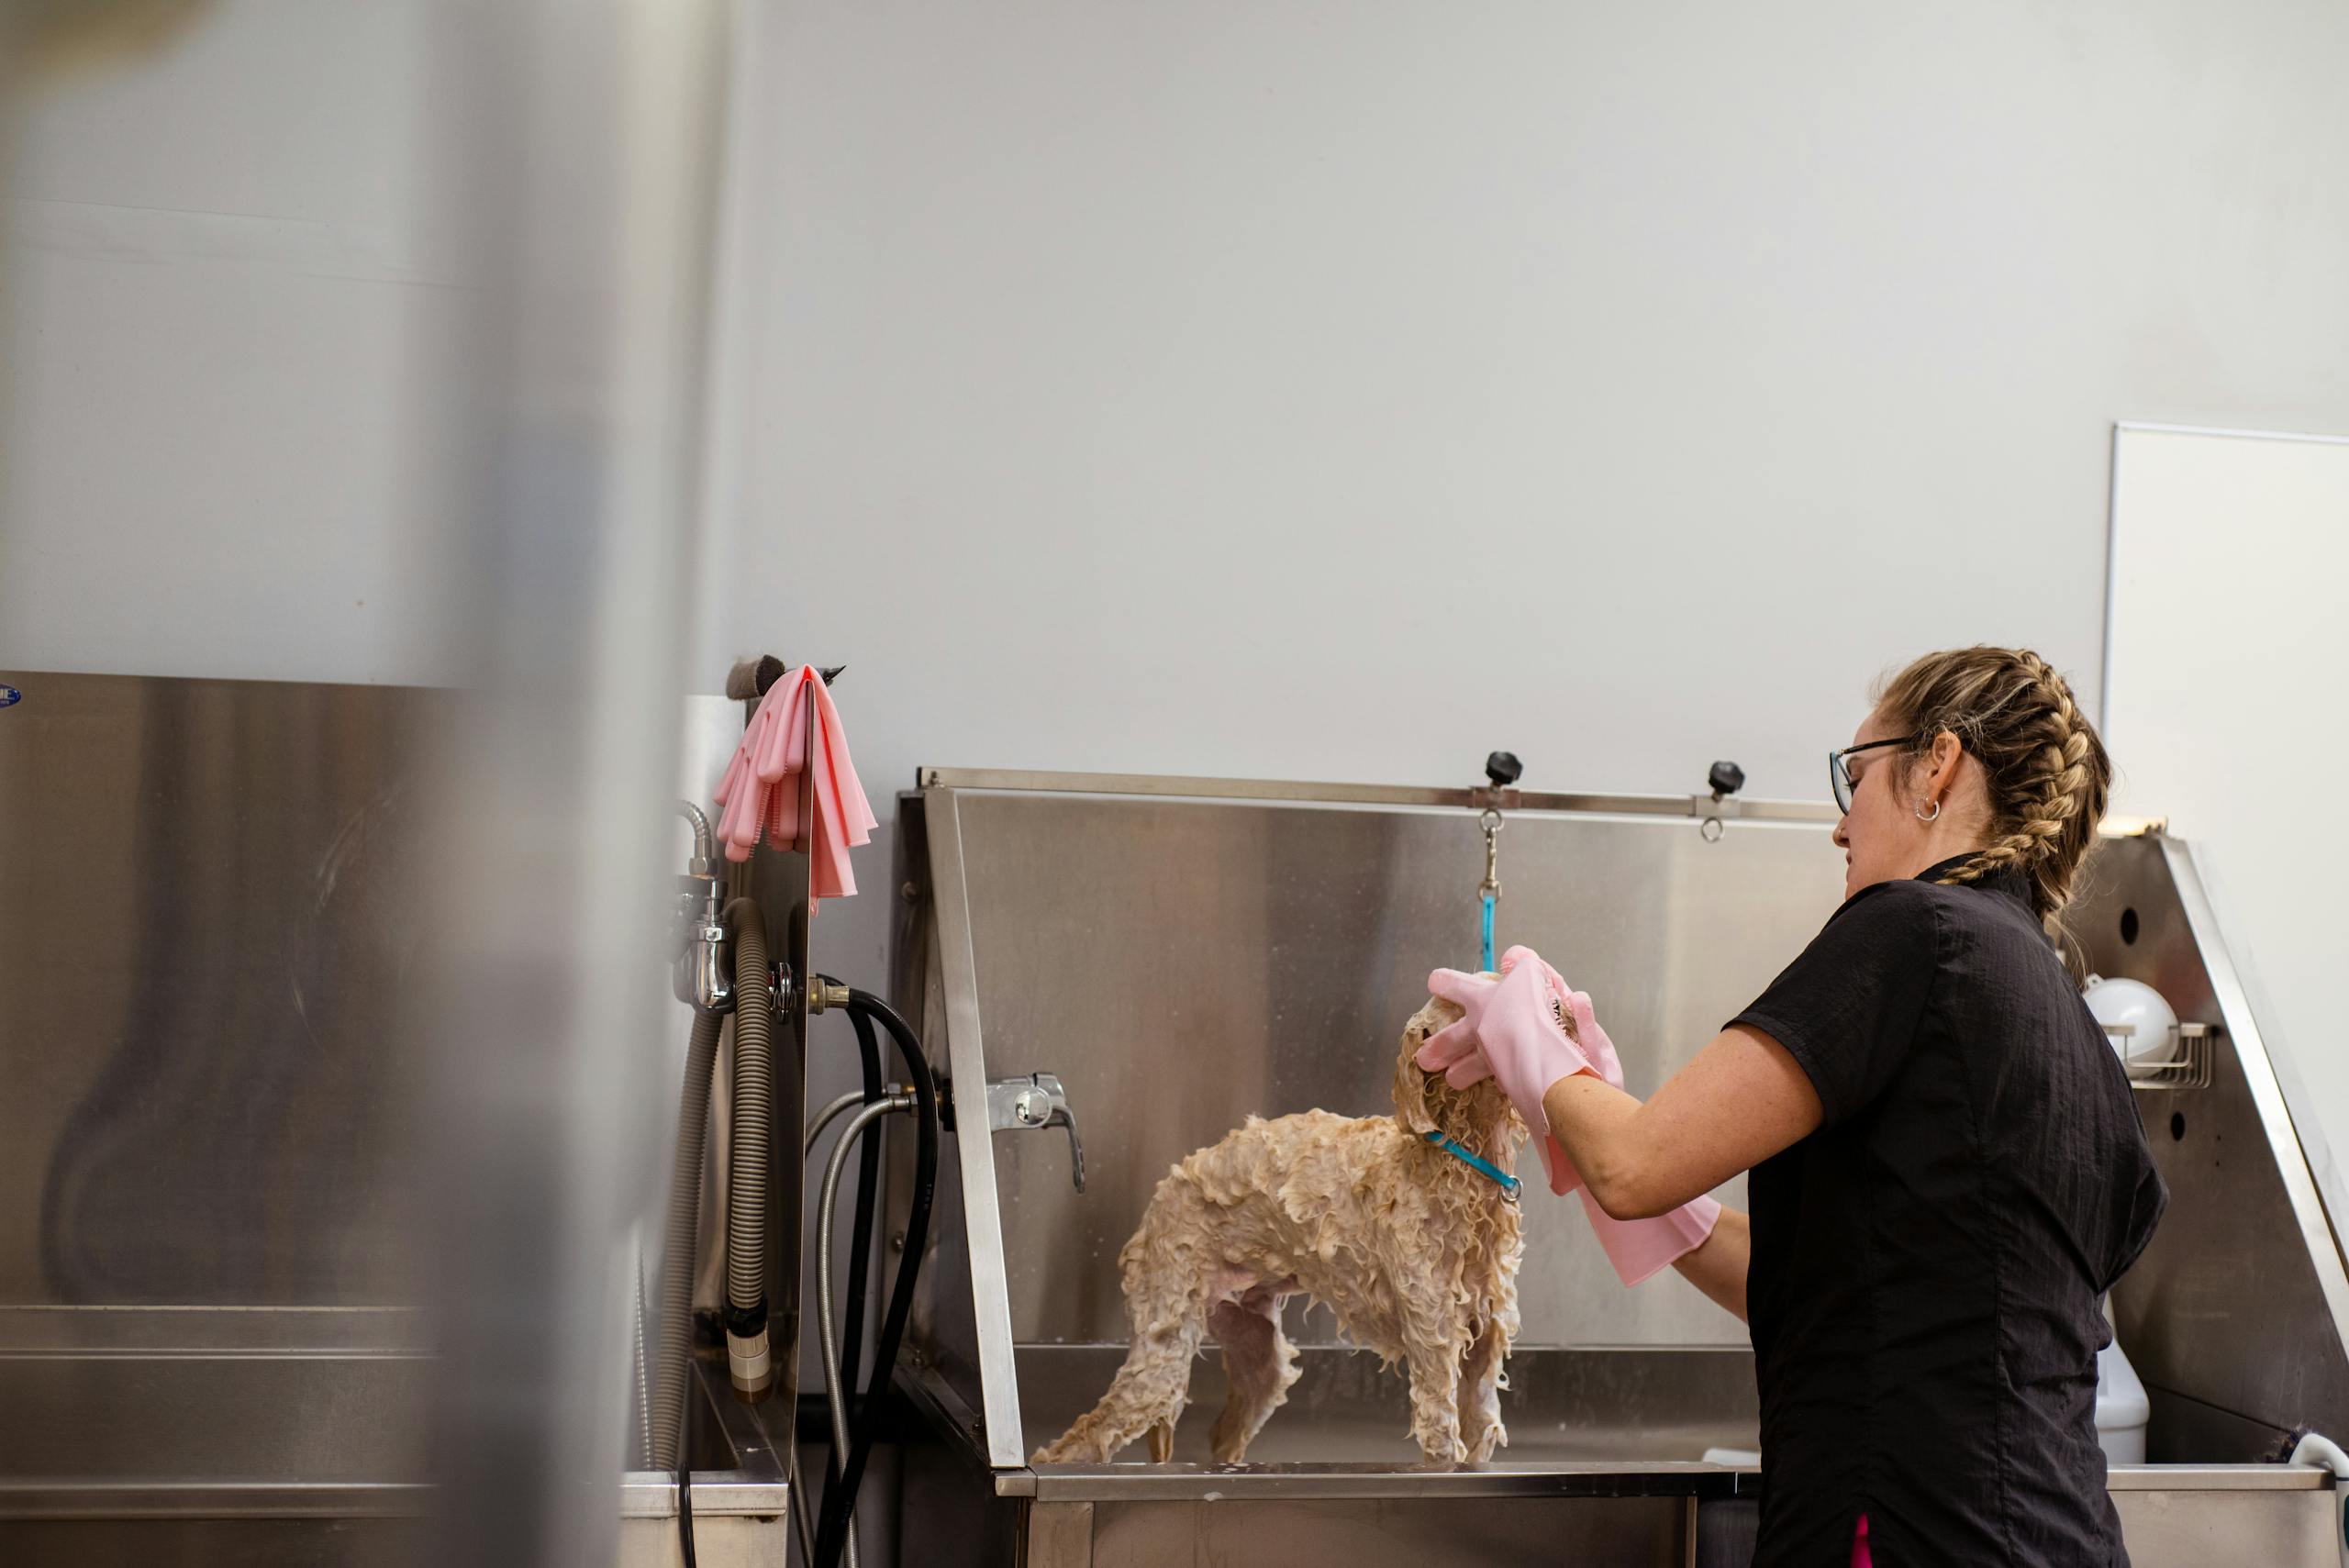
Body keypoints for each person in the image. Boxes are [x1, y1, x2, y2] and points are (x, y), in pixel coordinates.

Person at [1418, 646, 2168, 1568]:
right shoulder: (2069, 1024)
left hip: (1904, 1532)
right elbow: (1840, 1289)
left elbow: (1630, 1164)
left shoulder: (1912, 929)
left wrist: (1531, 1037)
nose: (1840, 825)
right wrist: (1596, 1110)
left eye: (1853, 777)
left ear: (1935, 764)